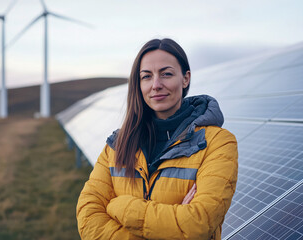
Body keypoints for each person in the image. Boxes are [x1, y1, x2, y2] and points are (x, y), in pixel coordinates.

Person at [76, 38, 238, 240]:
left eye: (166, 74)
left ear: (185, 78)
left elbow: (198, 225)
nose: (156, 85)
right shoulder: (116, 146)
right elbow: (88, 218)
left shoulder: (217, 143)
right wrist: (171, 224)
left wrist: (121, 206)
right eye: (146, 77)